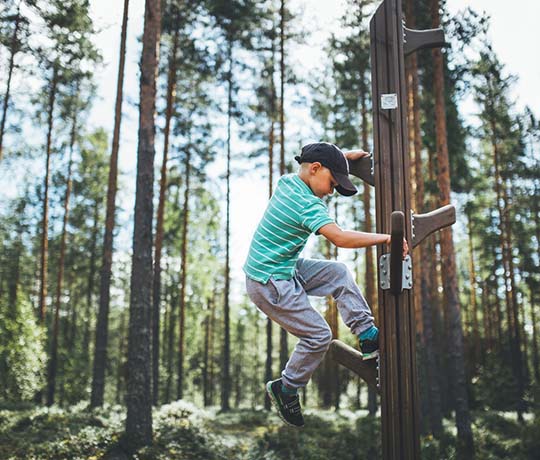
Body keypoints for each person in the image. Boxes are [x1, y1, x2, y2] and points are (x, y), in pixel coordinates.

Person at [243, 142, 409, 427]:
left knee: (338, 273)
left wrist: (343, 159)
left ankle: (367, 333)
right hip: (269, 282)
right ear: (317, 170)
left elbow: (316, 161)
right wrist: (386, 238)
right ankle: (286, 387)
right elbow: (340, 238)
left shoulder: (289, 182)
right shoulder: (306, 204)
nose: (332, 191)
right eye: (333, 183)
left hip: (284, 268)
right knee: (319, 335)